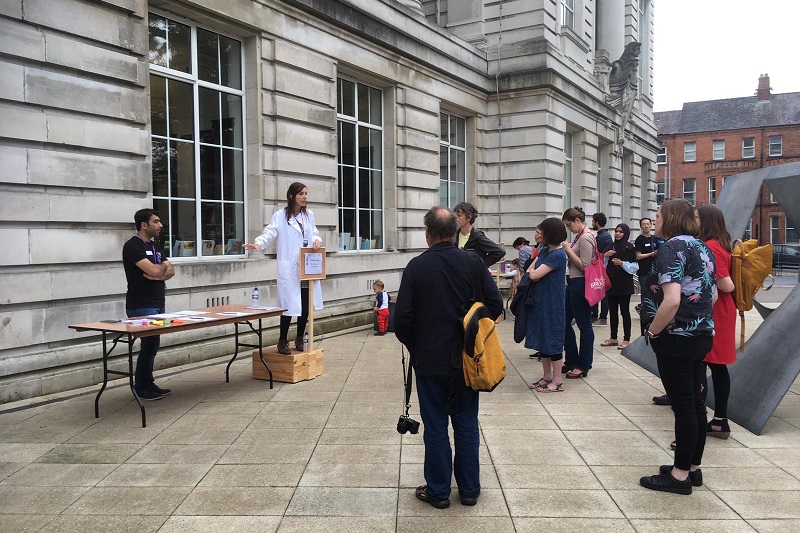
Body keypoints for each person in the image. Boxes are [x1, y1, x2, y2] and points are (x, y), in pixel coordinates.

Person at [395, 206, 503, 510]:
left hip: (430, 361)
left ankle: (439, 491)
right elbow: (494, 306)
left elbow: (402, 321)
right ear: (457, 232)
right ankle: (469, 490)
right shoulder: (472, 262)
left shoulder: (416, 266)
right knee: (467, 423)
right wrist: (473, 330)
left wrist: (418, 344)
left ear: (427, 234)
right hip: (469, 359)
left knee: (436, 425)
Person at [639, 199, 715, 495]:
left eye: (657, 214)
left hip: (677, 336)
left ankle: (679, 476)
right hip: (701, 335)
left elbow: (671, 300)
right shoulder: (702, 247)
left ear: (669, 217)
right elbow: (712, 295)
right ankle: (691, 468)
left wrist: (654, 331)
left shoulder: (671, 248)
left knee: (683, 406)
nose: (654, 219)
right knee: (695, 404)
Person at [243, 182, 323, 355]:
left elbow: (314, 232)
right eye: (301, 194)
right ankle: (282, 340)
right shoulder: (280, 216)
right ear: (291, 196)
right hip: (289, 268)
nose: (305, 197)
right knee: (287, 305)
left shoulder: (309, 215)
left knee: (305, 303)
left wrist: (317, 240)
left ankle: (300, 337)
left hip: (306, 267)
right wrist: (258, 244)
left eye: (306, 194)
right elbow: (270, 232)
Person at [122, 208, 175, 401]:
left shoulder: (156, 247)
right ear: (144, 225)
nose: (160, 225)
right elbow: (154, 270)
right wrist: (159, 270)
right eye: (156, 222)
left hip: (158, 302)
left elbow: (171, 271)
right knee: (149, 343)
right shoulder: (132, 246)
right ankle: (141, 386)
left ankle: (148, 382)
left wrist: (159, 271)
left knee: (152, 344)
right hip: (141, 304)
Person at [697, 204, 736, 440]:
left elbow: (726, 284)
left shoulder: (711, 247)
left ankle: (701, 421)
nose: (694, 221)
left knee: (702, 363)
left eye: (696, 218)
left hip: (715, 311)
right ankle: (720, 420)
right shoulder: (721, 244)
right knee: (718, 366)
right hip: (721, 311)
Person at [524, 218, 568, 392]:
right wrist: (532, 272)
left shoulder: (557, 254)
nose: (538, 234)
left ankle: (557, 380)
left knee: (553, 340)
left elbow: (533, 275)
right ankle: (547, 376)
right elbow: (529, 270)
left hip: (553, 304)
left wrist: (532, 272)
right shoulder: (544, 251)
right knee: (543, 340)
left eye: (541, 231)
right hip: (540, 302)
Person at [562, 207, 595, 379]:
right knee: (565, 321)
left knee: (584, 325)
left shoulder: (586, 237)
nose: (569, 229)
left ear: (577, 221)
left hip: (580, 283)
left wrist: (568, 250)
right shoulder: (579, 236)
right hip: (574, 282)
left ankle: (583, 364)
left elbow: (586, 266)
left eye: (569, 225)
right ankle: (572, 359)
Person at [600, 224, 638, 349]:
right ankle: (613, 337)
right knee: (613, 312)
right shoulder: (611, 246)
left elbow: (635, 267)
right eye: (616, 231)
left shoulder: (629, 247)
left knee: (625, 312)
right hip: (611, 284)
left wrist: (622, 263)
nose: (617, 234)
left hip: (624, 285)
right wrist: (605, 256)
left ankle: (627, 338)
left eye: (620, 232)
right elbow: (602, 264)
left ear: (625, 233)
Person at [454, 201, 505, 266]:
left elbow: (499, 252)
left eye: (459, 216)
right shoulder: (453, 235)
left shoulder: (477, 236)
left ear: (469, 217)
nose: (455, 219)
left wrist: (481, 265)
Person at [635, 217, 661, 334]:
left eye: (648, 224)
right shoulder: (639, 240)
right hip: (644, 271)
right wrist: (651, 253)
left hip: (655, 272)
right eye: (643, 224)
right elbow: (638, 256)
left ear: (651, 225)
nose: (646, 226)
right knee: (645, 294)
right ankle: (644, 315)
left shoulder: (655, 239)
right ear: (641, 226)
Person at [591, 213, 613, 324]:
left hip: (600, 268)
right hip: (603, 267)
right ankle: (599, 316)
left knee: (601, 292)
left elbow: (597, 254)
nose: (592, 223)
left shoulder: (602, 237)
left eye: (593, 221)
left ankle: (600, 316)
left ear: (597, 222)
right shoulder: (605, 235)